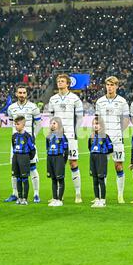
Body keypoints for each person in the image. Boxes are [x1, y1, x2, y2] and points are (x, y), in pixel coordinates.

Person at [48, 74, 83, 203]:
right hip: (57, 137)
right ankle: (57, 195)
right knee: (58, 164)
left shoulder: (75, 99)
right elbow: (51, 118)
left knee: (73, 162)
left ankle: (78, 194)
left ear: (68, 84)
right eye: (58, 81)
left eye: (62, 81)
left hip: (70, 136)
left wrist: (74, 131)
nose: (59, 83)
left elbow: (79, 118)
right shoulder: (53, 99)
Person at [95, 76, 130, 203]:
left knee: (118, 166)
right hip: (103, 139)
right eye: (108, 85)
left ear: (117, 86)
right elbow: (97, 120)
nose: (110, 87)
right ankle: (101, 195)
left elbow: (126, 120)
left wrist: (118, 131)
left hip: (117, 139)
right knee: (101, 168)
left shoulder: (122, 101)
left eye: (112, 85)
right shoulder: (100, 101)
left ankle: (120, 195)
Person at [5, 85, 42, 203]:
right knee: (15, 169)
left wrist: (32, 137)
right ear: (16, 94)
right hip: (16, 145)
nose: (22, 95)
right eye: (19, 92)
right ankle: (15, 193)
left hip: (28, 143)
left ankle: (36, 194)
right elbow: (11, 124)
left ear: (27, 94)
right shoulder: (11, 108)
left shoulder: (33, 107)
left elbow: (39, 124)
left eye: (24, 92)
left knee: (32, 168)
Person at [88, 116, 114, 208]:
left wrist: (103, 154)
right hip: (93, 158)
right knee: (94, 179)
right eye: (94, 124)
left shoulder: (105, 136)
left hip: (101, 158)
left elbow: (111, 149)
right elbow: (89, 147)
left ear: (101, 125)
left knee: (101, 179)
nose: (95, 126)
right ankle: (97, 199)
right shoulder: (91, 136)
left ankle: (102, 200)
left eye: (97, 124)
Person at [12, 116, 37, 205]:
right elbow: (13, 146)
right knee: (17, 178)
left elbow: (32, 150)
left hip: (24, 158)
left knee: (24, 178)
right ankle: (19, 197)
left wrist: (27, 158)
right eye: (15, 124)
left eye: (18, 124)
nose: (16, 126)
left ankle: (25, 199)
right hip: (16, 157)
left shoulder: (27, 136)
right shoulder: (14, 136)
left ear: (23, 125)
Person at [46, 117, 69, 207]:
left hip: (59, 158)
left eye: (54, 123)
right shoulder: (48, 137)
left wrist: (63, 161)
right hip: (50, 158)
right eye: (51, 123)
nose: (52, 124)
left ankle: (60, 199)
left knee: (60, 179)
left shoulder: (62, 136)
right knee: (53, 179)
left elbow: (66, 150)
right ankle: (54, 198)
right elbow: (47, 148)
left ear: (59, 125)